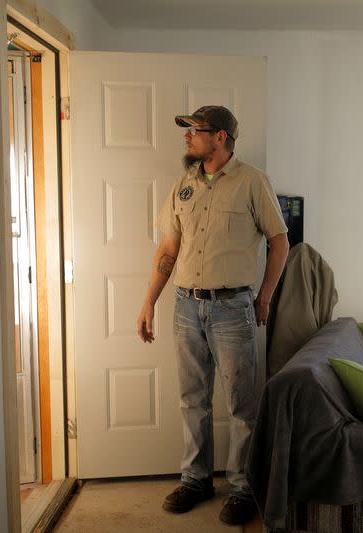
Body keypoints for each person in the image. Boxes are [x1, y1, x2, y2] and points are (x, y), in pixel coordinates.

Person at [136, 105, 289, 525]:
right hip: (186, 305)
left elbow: (280, 242)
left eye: (194, 130)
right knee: (193, 399)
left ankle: (243, 486)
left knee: (241, 403)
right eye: (186, 130)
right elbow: (168, 250)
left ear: (220, 137)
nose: (187, 137)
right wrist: (149, 301)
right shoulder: (183, 184)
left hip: (232, 309)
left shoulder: (252, 182)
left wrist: (264, 297)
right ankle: (196, 479)